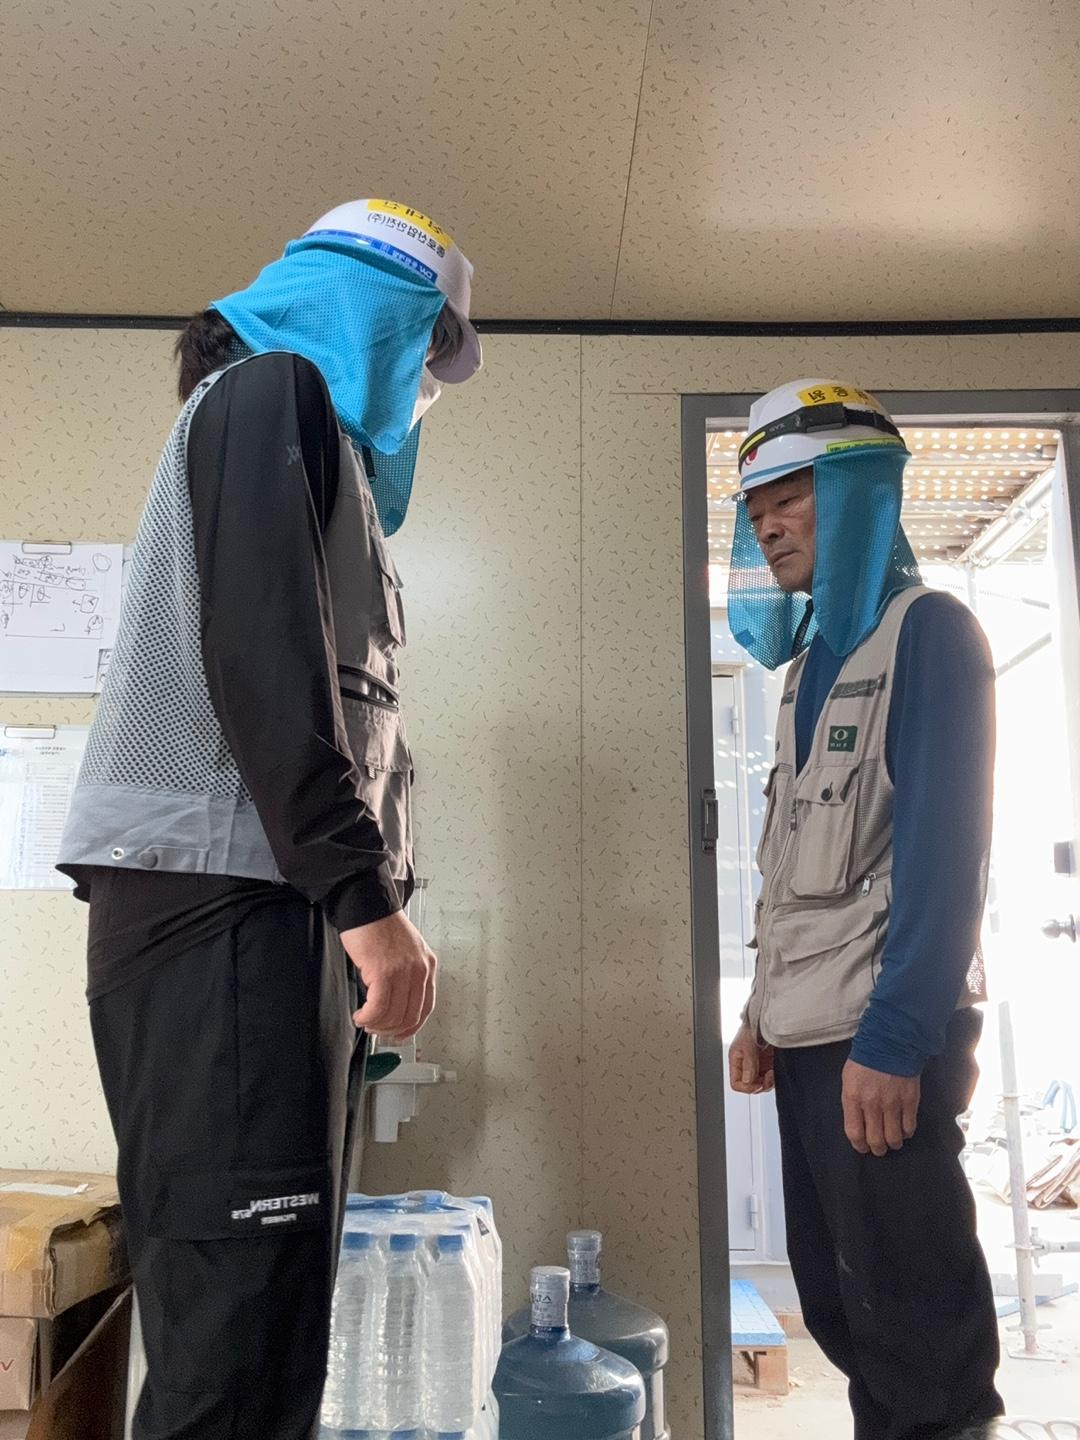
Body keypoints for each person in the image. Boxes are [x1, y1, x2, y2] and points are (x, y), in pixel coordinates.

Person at [56, 199, 482, 1440]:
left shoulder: (299, 442)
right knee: (237, 1364)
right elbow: (263, 663)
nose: (429, 392)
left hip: (251, 921)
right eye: (427, 351)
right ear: (378, 312)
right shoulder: (269, 394)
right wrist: (367, 902)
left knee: (263, 1335)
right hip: (228, 920)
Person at [726, 380, 1004, 1440]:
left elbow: (945, 856)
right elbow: (793, 866)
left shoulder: (930, 633)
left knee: (919, 1332)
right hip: (810, 1040)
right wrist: (759, 1013)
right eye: (755, 510)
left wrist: (894, 1039)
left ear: (859, 495)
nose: (768, 526)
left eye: (789, 498)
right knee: (845, 1309)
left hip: (882, 1042)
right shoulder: (808, 669)